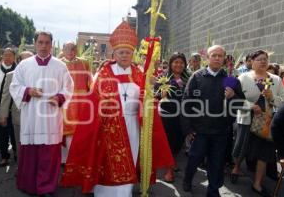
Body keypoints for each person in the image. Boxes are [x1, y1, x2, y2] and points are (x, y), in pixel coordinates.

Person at [61, 21, 174, 197]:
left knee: (131, 157)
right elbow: (94, 99)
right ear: (114, 53)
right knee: (107, 162)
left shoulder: (139, 74)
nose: (124, 55)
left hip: (132, 125)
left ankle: (125, 192)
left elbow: (146, 99)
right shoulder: (104, 73)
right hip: (108, 126)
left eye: (128, 52)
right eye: (121, 52)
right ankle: (104, 192)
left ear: (132, 54)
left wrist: (149, 93)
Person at [10, 31, 74, 197]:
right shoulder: (24, 65)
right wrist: (28, 90)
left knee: (49, 155)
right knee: (30, 153)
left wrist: (59, 97)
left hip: (51, 117)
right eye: (40, 42)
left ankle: (46, 187)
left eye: (47, 43)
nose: (44, 46)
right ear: (35, 43)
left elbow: (69, 87)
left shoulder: (60, 66)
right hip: (31, 116)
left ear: (51, 45)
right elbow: (15, 86)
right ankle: (29, 184)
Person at [181, 45, 245, 197]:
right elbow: (186, 103)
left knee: (216, 163)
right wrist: (188, 130)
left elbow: (241, 103)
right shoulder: (197, 77)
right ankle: (188, 179)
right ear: (207, 58)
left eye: (220, 55)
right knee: (194, 158)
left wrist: (233, 97)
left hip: (221, 130)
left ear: (224, 58)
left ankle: (213, 190)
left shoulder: (230, 80)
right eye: (214, 55)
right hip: (200, 130)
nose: (217, 58)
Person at [232, 50, 284, 197]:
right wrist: (250, 106)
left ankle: (257, 184)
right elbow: (234, 98)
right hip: (246, 121)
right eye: (259, 59)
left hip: (267, 123)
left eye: (265, 59)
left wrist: (272, 97)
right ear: (252, 62)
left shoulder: (276, 79)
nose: (263, 62)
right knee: (242, 148)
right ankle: (236, 166)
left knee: (264, 152)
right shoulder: (243, 77)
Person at [155, 52, 191, 182]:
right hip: (168, 117)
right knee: (170, 142)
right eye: (176, 62)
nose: (178, 65)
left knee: (179, 142)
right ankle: (169, 170)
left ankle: (172, 161)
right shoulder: (163, 77)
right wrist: (161, 93)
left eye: (181, 62)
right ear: (171, 64)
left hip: (184, 116)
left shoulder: (189, 78)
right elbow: (155, 94)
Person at [0, 51, 34, 162]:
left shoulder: (40, 74)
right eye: (24, 60)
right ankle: (21, 167)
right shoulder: (11, 75)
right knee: (19, 143)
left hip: (35, 116)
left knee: (34, 143)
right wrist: (3, 115)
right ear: (19, 61)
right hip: (18, 116)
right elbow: (6, 96)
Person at [60, 41, 92, 164]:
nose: (70, 52)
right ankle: (64, 159)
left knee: (80, 131)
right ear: (63, 50)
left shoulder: (84, 63)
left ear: (76, 50)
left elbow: (90, 82)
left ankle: (78, 158)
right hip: (64, 103)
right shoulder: (59, 64)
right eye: (67, 49)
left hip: (81, 103)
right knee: (64, 131)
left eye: (73, 49)